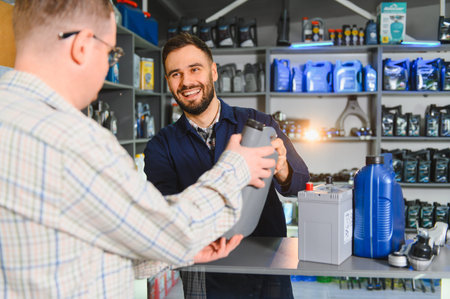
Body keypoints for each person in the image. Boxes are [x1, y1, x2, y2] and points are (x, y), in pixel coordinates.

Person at [0, 1, 278, 298]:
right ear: (82, 46)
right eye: (111, 53)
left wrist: (172, 252)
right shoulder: (74, 140)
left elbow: (71, 251)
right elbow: (174, 230)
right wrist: (237, 166)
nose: (109, 63)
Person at [144, 33, 310, 298]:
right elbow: (168, 218)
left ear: (213, 72)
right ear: (167, 82)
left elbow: (301, 184)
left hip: (265, 266)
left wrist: (282, 169)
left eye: (194, 69)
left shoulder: (258, 122)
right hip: (205, 270)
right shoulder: (160, 147)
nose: (186, 82)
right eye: (175, 74)